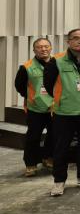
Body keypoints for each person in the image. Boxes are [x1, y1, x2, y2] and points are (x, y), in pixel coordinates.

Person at [43, 28, 80, 197]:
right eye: (76, 38)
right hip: (64, 112)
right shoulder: (56, 60)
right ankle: (59, 181)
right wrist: (61, 100)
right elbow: (48, 85)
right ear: (68, 41)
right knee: (61, 147)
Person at [15, 37, 54, 177]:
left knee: (54, 135)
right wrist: (31, 97)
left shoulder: (58, 63)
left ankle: (48, 158)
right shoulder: (26, 67)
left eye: (46, 46)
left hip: (55, 107)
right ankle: (30, 164)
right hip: (35, 108)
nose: (43, 49)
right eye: (39, 47)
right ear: (34, 50)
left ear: (50, 48)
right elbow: (19, 85)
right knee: (33, 137)